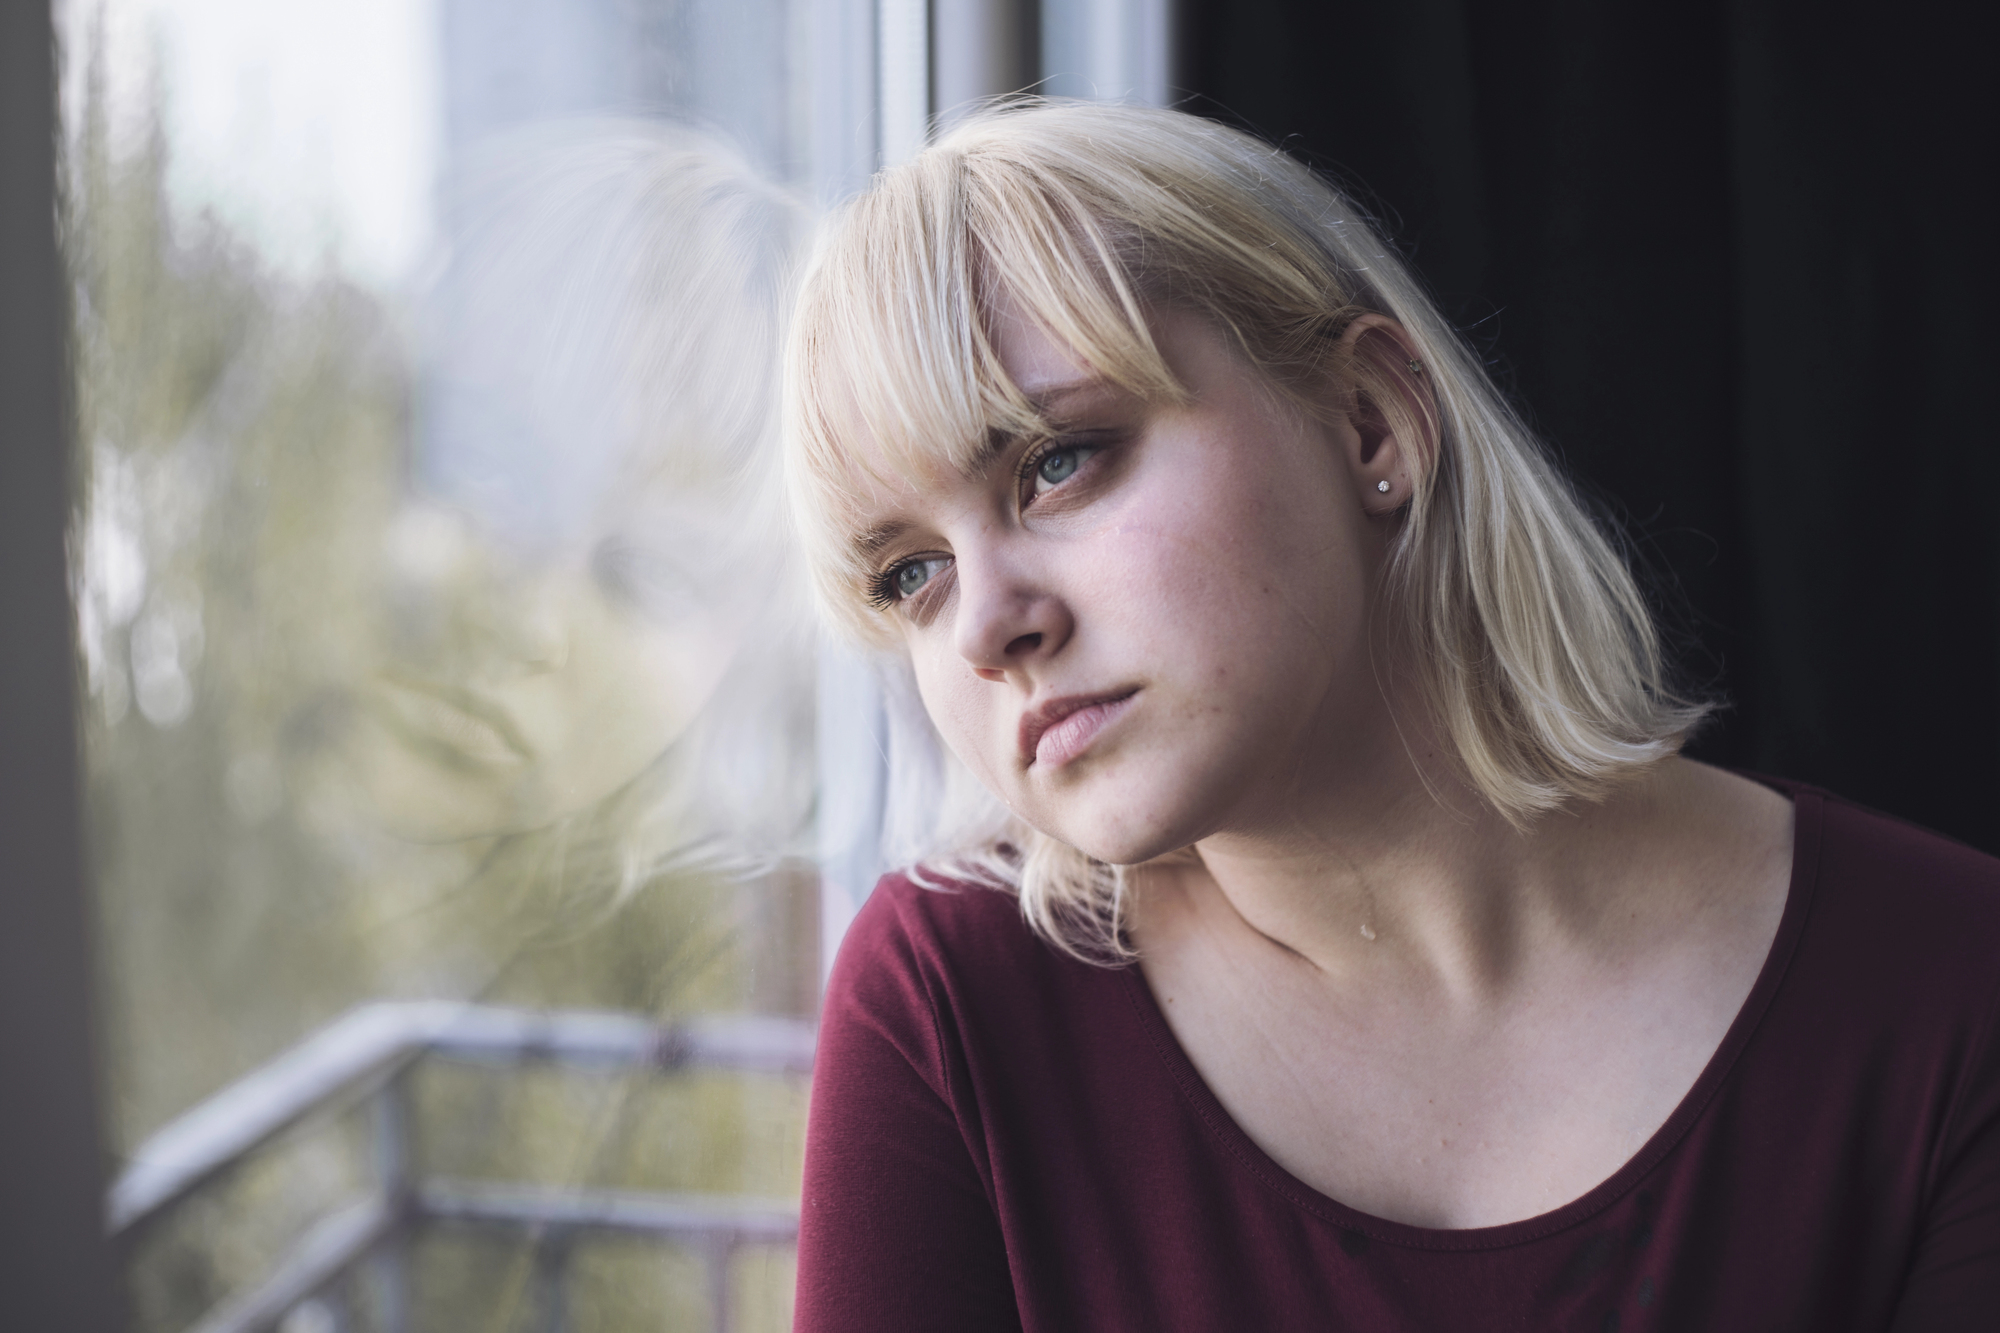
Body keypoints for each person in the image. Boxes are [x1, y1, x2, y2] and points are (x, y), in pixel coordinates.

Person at [783, 100, 2000, 1330]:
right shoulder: (956, 1006)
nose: (987, 627)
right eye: (909, 573)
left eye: (1058, 461)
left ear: (1369, 418)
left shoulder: (1948, 995)